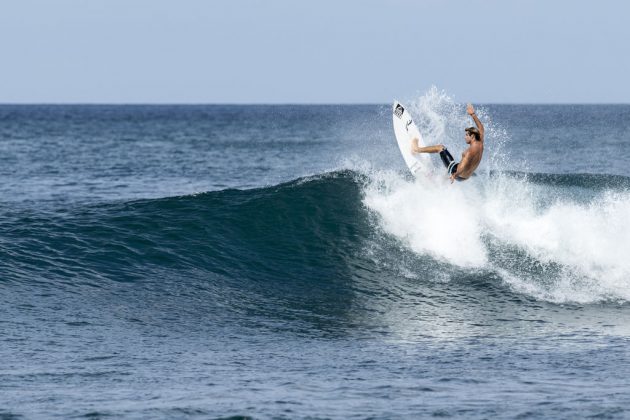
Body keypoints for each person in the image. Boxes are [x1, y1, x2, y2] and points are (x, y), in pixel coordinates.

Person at [411, 103, 484, 182]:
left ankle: (417, 149)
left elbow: (463, 166)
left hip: (457, 173)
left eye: (467, 135)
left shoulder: (469, 152)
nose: (465, 137)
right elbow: (481, 128)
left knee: (440, 148)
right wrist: (472, 114)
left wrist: (454, 175)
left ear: (472, 136)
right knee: (452, 164)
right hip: (466, 177)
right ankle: (440, 180)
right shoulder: (480, 142)